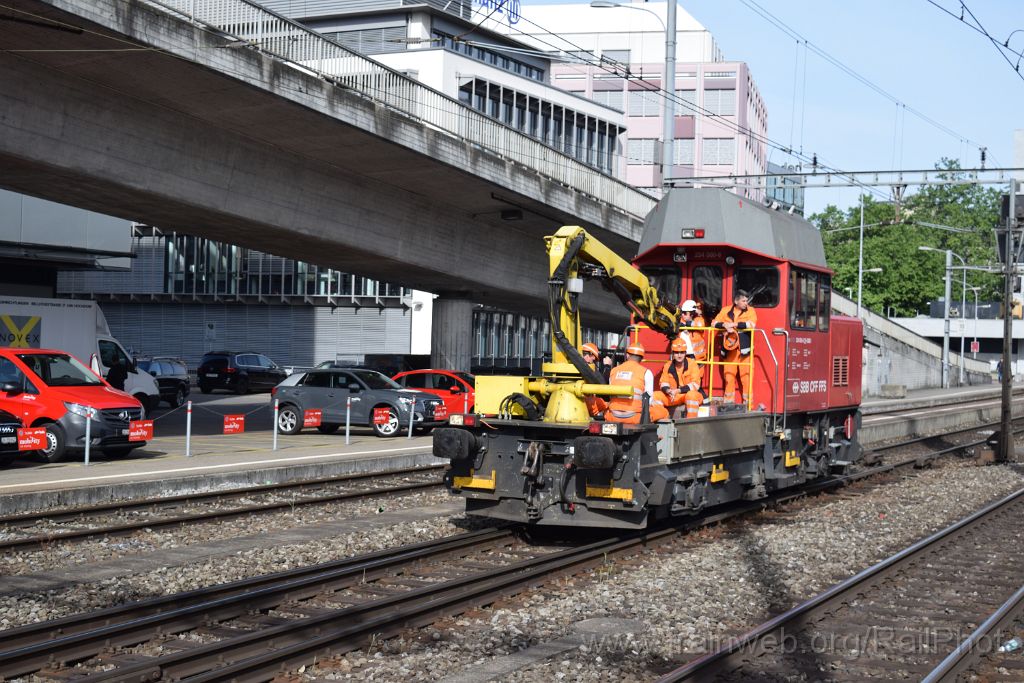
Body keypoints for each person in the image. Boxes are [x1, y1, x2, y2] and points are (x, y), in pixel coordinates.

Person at [605, 343, 669, 423]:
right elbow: (648, 400)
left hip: (612, 417)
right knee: (663, 412)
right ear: (641, 358)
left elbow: (610, 395)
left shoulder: (614, 371)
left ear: (627, 355)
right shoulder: (646, 372)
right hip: (635, 418)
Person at [713, 290, 757, 405]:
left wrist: (734, 325)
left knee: (746, 378)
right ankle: (728, 404)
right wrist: (724, 325)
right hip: (729, 350)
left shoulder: (751, 311)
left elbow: (751, 324)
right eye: (743, 301)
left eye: (747, 301)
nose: (746, 303)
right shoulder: (725, 310)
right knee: (729, 377)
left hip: (745, 351)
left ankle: (748, 406)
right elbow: (714, 323)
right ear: (736, 301)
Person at [660, 338, 705, 419]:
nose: (679, 355)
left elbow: (695, 385)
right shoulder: (667, 365)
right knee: (656, 396)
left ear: (685, 353)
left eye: (682, 352)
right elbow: (663, 382)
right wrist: (668, 390)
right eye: (677, 353)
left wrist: (678, 390)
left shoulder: (692, 364)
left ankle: (690, 423)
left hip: (691, 395)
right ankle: (663, 421)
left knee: (691, 395)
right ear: (673, 354)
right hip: (674, 396)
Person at [580, 342, 608, 418]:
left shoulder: (576, 365)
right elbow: (603, 385)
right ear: (590, 355)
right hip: (586, 404)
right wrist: (607, 367)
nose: (594, 359)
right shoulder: (590, 368)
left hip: (578, 402)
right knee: (607, 404)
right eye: (594, 357)